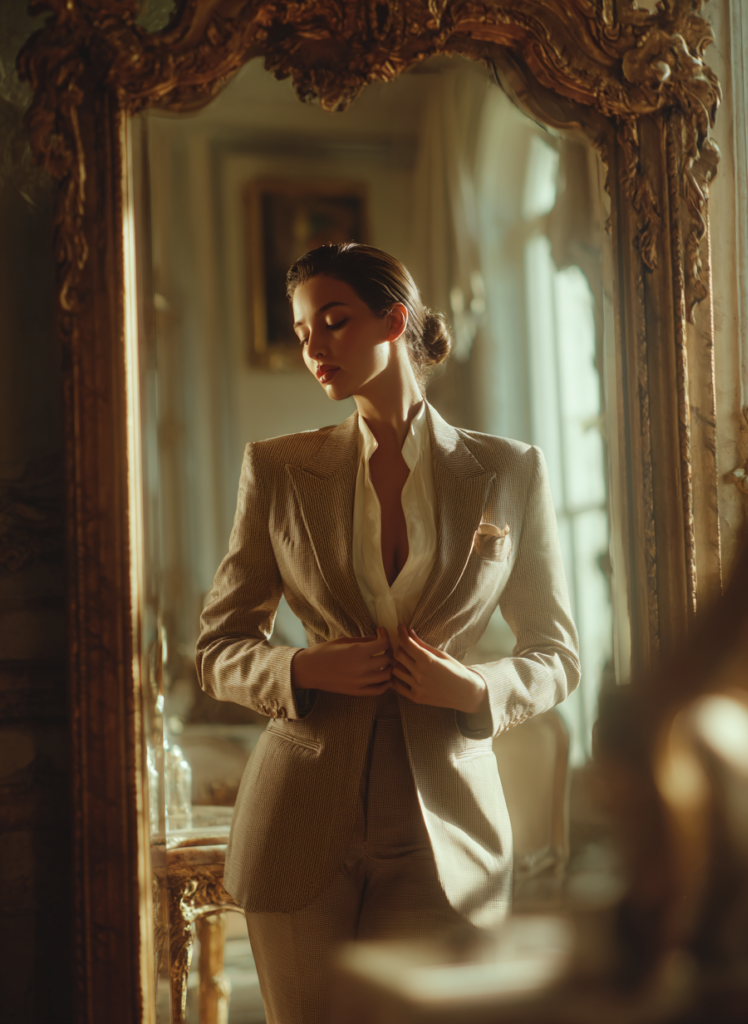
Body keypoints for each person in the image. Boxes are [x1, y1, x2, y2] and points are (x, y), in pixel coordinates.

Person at [196, 242, 580, 1023]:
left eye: (333, 323)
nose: (315, 348)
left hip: (449, 827)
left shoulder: (508, 471)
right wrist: (301, 671)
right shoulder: (277, 469)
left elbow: (556, 651)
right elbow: (217, 649)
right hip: (297, 819)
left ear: (394, 320)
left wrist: (478, 687)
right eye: (303, 334)